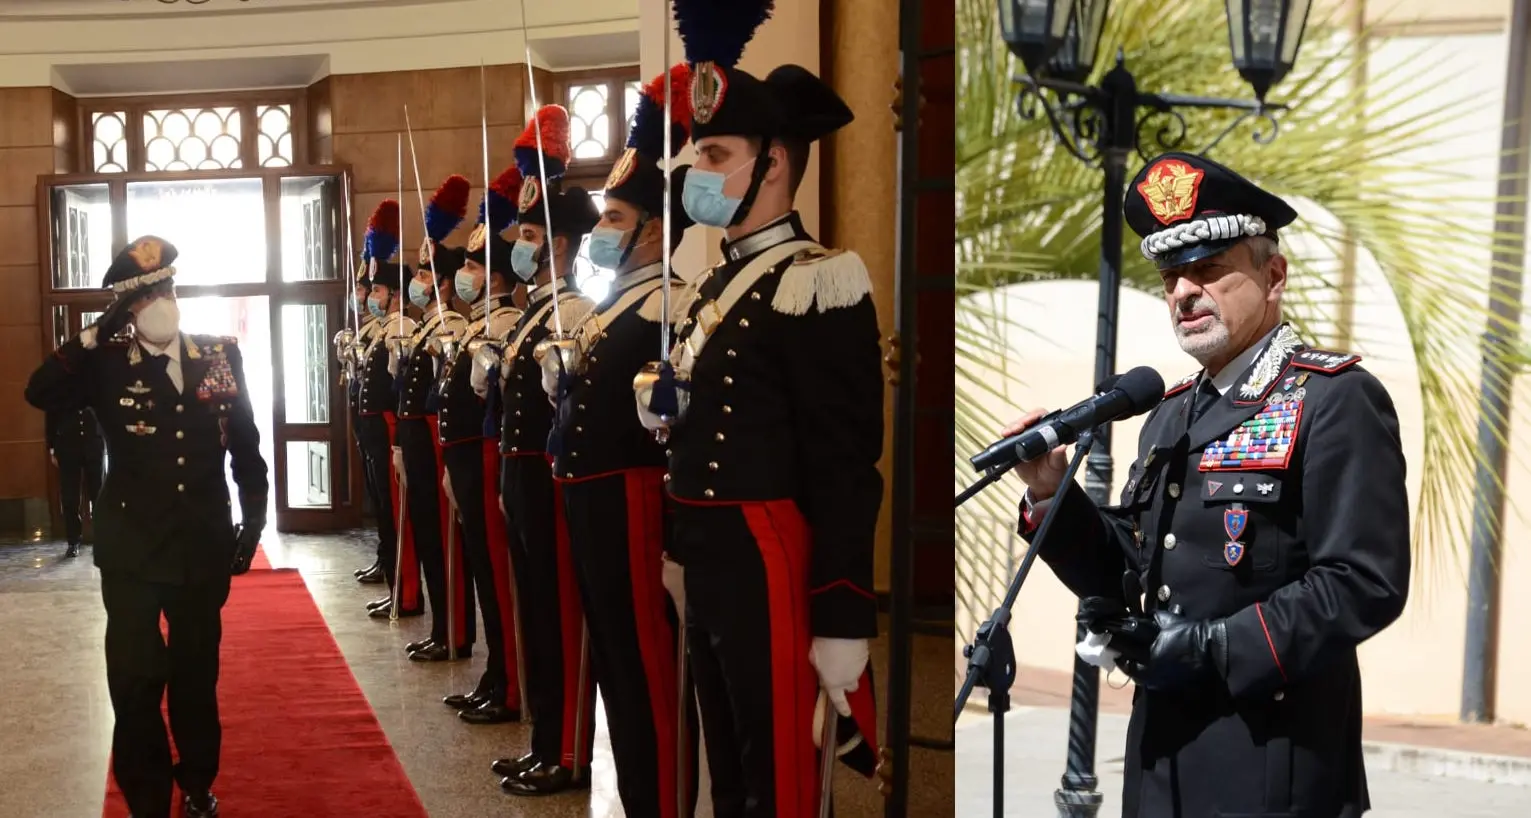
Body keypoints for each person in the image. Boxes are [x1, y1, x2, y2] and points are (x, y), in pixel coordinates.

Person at [1005, 151, 1410, 818]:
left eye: (1206, 270)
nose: (1183, 293)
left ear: (1272, 275)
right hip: (1161, 755)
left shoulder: (1331, 400)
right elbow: (1132, 569)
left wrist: (1215, 649)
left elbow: (1363, 580)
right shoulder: (1166, 414)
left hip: (1270, 763)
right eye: (1170, 277)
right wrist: (1053, 497)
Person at [638, 4, 884, 812]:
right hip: (705, 551)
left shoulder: (820, 279)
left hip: (764, 554)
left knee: (775, 761)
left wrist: (843, 613)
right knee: (727, 761)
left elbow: (846, 463)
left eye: (713, 152)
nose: (693, 169)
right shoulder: (714, 285)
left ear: (773, 162)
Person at [24, 235, 268, 818]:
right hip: (132, 550)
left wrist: (253, 518)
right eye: (145, 297)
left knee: (194, 674)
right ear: (126, 311)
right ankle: (148, 798)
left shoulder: (216, 356)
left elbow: (246, 446)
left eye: (167, 289)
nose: (162, 302)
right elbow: (40, 391)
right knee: (135, 681)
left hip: (202, 546)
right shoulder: (105, 364)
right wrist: (95, 330)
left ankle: (199, 781)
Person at [546, 62, 698, 818]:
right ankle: (640, 797)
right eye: (604, 218)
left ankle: (662, 801)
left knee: (643, 662)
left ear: (655, 229)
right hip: (592, 503)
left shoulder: (671, 306)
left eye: (613, 219)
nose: (602, 231)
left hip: (633, 502)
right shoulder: (612, 309)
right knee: (613, 660)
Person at [488, 103, 600, 797]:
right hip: (519, 478)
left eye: (529, 235)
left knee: (557, 614)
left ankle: (566, 749)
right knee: (534, 611)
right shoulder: (534, 311)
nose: (518, 246)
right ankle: (540, 738)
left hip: (551, 480)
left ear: (557, 246)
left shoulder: (575, 312)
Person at [440, 163, 528, 723]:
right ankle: (496, 673)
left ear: (494, 275)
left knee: (497, 576)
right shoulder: (476, 325)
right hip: (467, 460)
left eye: (473, 265)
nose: (462, 275)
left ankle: (507, 680)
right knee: (482, 571)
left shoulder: (505, 323)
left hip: (488, 458)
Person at [393, 174, 474, 661]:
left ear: (445, 284)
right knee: (426, 534)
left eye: (425, 277)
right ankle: (442, 626)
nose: (416, 283)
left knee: (445, 543)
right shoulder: (426, 329)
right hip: (417, 444)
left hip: (439, 443)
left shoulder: (456, 328)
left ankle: (456, 631)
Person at [355, 200, 424, 620]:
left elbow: (397, 386)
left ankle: (406, 590)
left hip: (388, 427)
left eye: (377, 291)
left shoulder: (402, 328)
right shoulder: (381, 328)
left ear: (395, 294)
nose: (370, 297)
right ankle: (395, 579)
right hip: (373, 430)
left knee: (397, 511)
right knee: (385, 508)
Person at [345, 262, 387, 586]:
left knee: (387, 505)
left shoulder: (391, 328)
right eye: (364, 289)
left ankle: (391, 565)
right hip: (367, 424)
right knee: (380, 502)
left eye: (372, 289)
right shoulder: (370, 329)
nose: (363, 296)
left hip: (384, 427)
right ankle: (384, 559)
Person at [47, 404, 103, 558]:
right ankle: (73, 541)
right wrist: (51, 448)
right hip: (67, 446)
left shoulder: (95, 382)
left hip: (93, 444)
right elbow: (50, 416)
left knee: (98, 494)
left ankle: (101, 539)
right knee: (70, 497)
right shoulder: (60, 388)